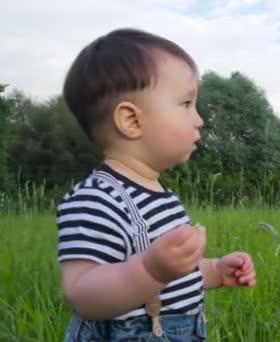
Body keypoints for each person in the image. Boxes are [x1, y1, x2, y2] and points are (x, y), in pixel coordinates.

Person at [56, 28, 256, 341]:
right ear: (132, 122)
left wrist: (214, 270)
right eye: (186, 103)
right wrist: (150, 270)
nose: (199, 119)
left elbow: (174, 277)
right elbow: (82, 293)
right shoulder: (96, 199)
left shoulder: (161, 196)